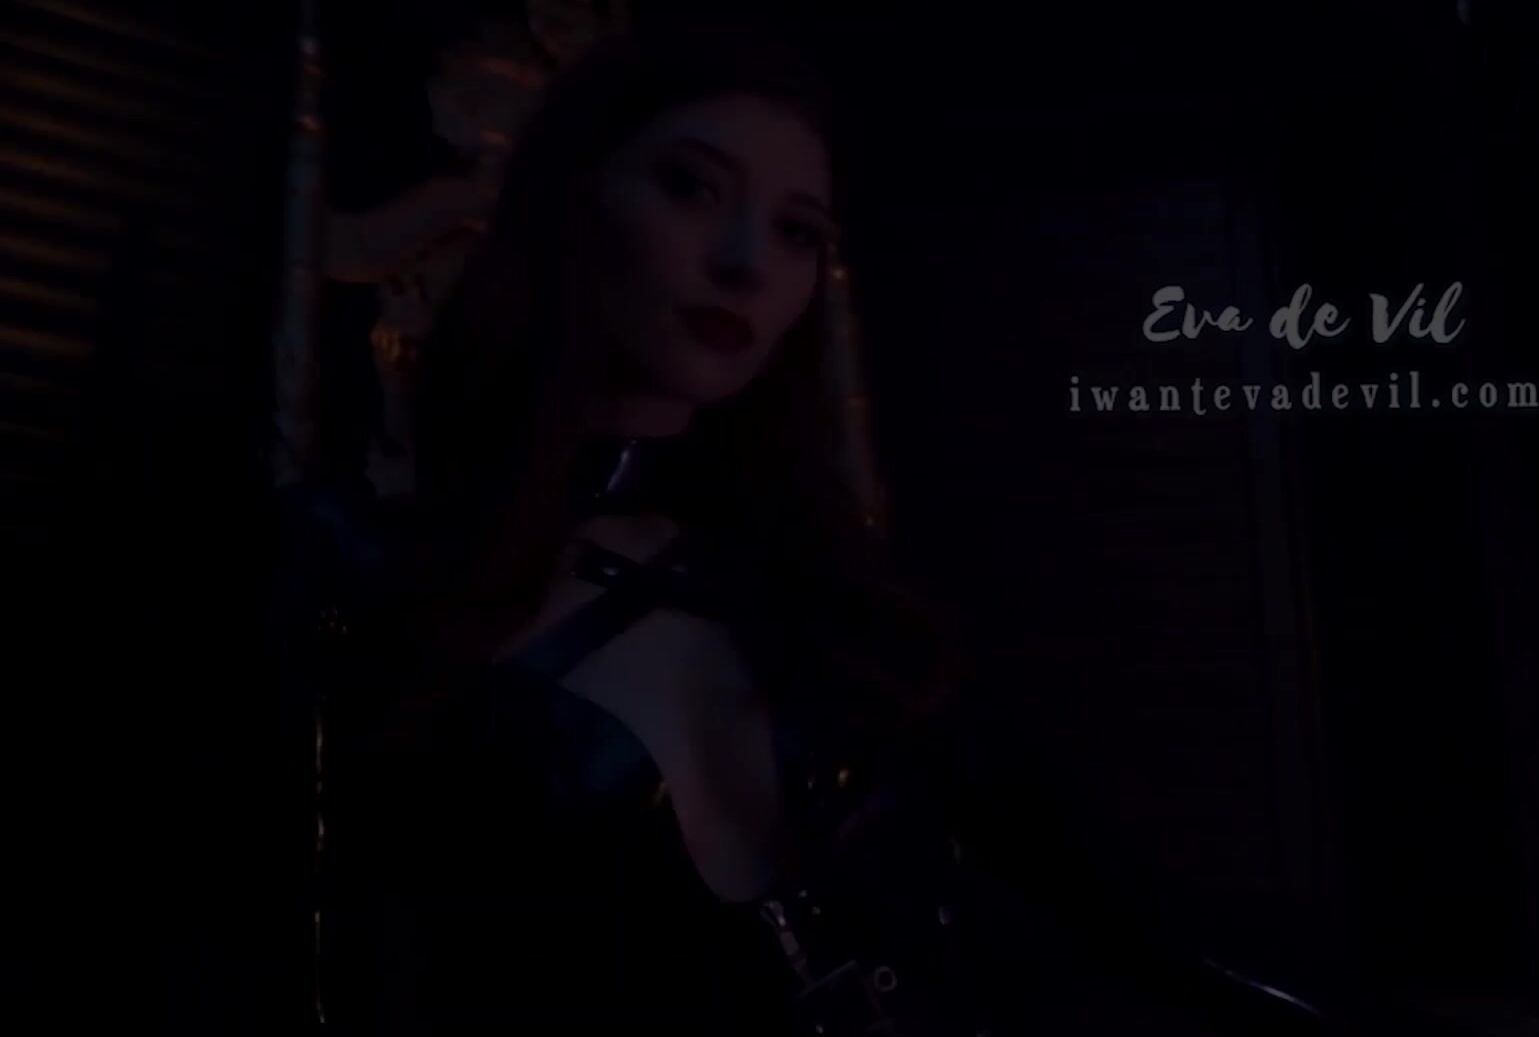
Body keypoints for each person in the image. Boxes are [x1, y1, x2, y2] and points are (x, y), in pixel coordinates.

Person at [281, 15, 1335, 1037]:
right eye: (691, 186)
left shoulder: (823, 587)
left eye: (797, 231)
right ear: (572, 197)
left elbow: (1111, 902)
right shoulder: (361, 567)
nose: (747, 260)